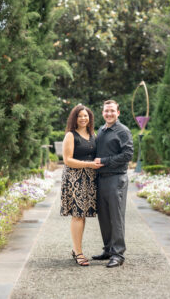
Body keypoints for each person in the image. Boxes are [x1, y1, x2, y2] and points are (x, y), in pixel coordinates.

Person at [92, 100, 133, 268]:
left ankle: (118, 254)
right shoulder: (101, 130)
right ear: (102, 113)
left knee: (116, 217)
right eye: (106, 111)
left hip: (116, 179)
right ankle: (108, 249)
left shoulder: (123, 131)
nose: (108, 114)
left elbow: (128, 155)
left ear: (118, 112)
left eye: (112, 111)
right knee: (104, 217)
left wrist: (104, 161)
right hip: (101, 180)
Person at [60, 104, 103, 266]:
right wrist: (89, 165)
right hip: (75, 179)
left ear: (90, 118)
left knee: (83, 215)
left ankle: (75, 248)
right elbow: (67, 160)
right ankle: (78, 252)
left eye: (86, 116)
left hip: (89, 178)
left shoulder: (93, 134)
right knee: (78, 215)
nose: (83, 118)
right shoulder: (70, 135)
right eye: (80, 116)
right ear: (74, 118)